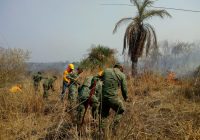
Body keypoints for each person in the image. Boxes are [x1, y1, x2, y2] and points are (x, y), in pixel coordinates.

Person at [100, 63, 128, 132]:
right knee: (121, 110)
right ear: (121, 68)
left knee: (104, 115)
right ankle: (113, 127)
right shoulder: (122, 75)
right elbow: (124, 89)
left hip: (103, 97)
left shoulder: (106, 70)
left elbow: (96, 77)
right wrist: (125, 97)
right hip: (112, 97)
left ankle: (102, 132)